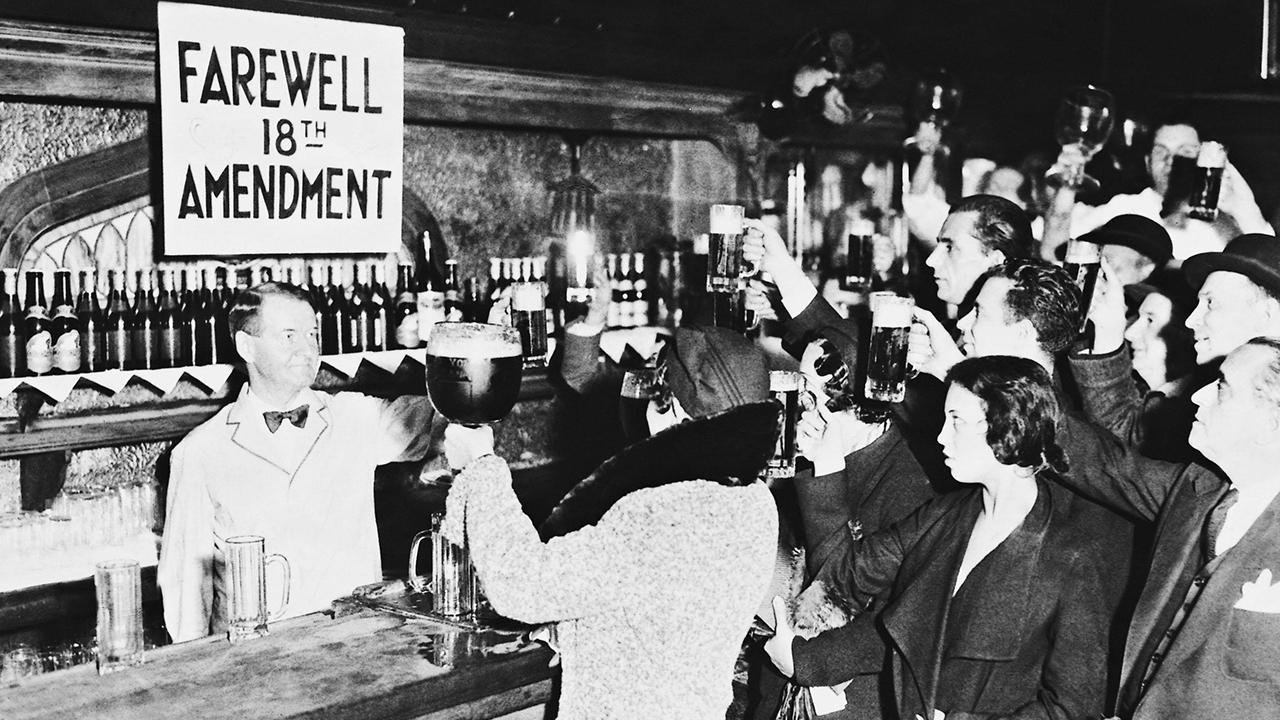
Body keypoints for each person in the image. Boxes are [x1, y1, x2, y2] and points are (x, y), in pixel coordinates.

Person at [440, 325, 780, 720]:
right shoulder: (757, 502)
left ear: (670, 405)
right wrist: (578, 631)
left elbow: (520, 583)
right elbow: (666, 611)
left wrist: (480, 465)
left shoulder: (659, 514)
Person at [765, 356, 1115, 720]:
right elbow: (850, 577)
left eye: (956, 420)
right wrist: (826, 464)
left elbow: (1073, 708)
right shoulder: (945, 515)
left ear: (1006, 427)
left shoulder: (1072, 557)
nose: (941, 436)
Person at [157, 282, 436, 643]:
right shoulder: (200, 451)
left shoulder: (355, 417)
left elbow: (443, 413)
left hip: (355, 644)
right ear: (246, 346)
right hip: (257, 659)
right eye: (289, 336)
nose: (308, 349)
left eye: (312, 334)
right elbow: (185, 591)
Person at [1056, 337, 1280, 719]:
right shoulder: (1197, 488)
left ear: (1269, 425)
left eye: (1222, 386)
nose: (1198, 396)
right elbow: (1107, 466)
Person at [1070, 233, 1280, 461]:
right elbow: (1131, 438)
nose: (1191, 321)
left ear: (1267, 314)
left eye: (1210, 303)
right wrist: (1108, 330)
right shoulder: (1207, 393)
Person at [1043, 122, 1273, 262]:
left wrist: (1246, 210)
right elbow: (1054, 253)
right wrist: (1067, 185)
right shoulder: (1126, 207)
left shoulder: (1226, 224)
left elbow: (1270, 277)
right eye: (1161, 152)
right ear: (1147, 162)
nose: (1171, 161)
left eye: (1185, 152)